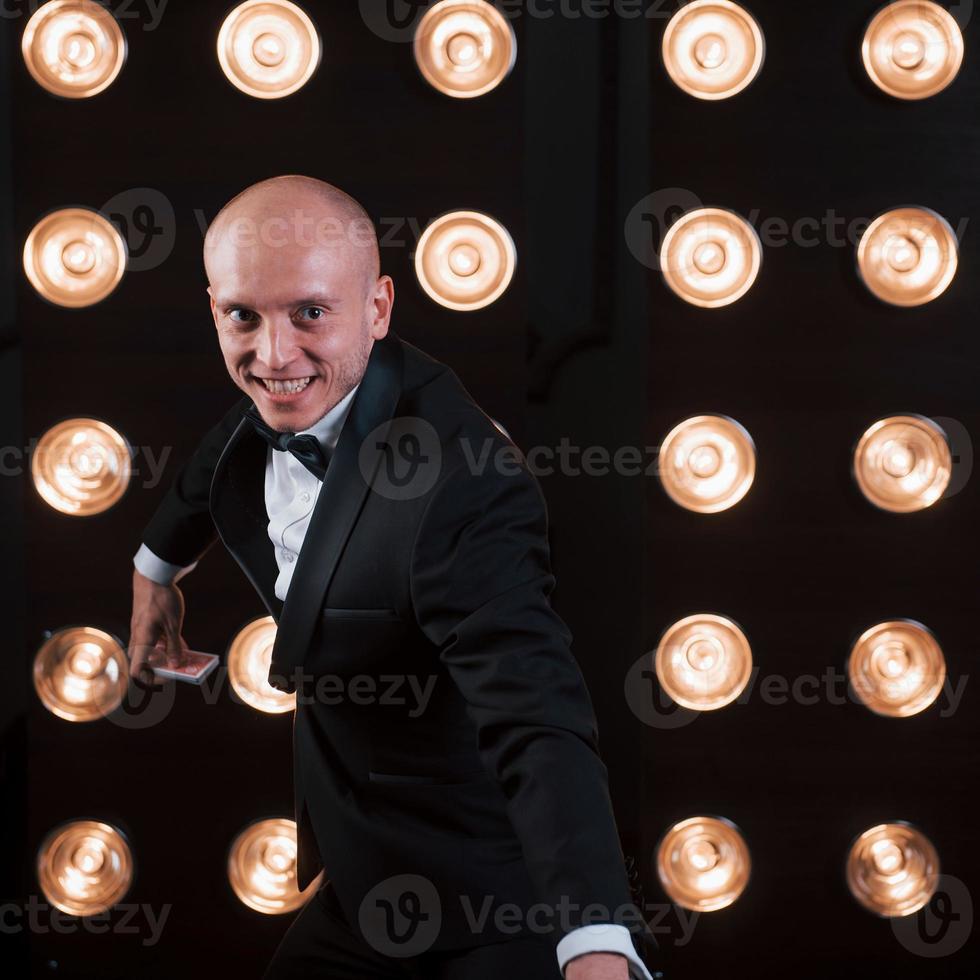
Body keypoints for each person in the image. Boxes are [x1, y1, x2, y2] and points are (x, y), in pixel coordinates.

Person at [127, 175, 656, 980]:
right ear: (215, 309)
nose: (272, 356)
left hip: (492, 901)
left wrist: (594, 941)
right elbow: (213, 464)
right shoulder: (278, 402)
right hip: (357, 881)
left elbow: (536, 717)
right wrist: (156, 568)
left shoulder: (464, 482)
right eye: (244, 316)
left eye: (309, 313)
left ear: (378, 308)